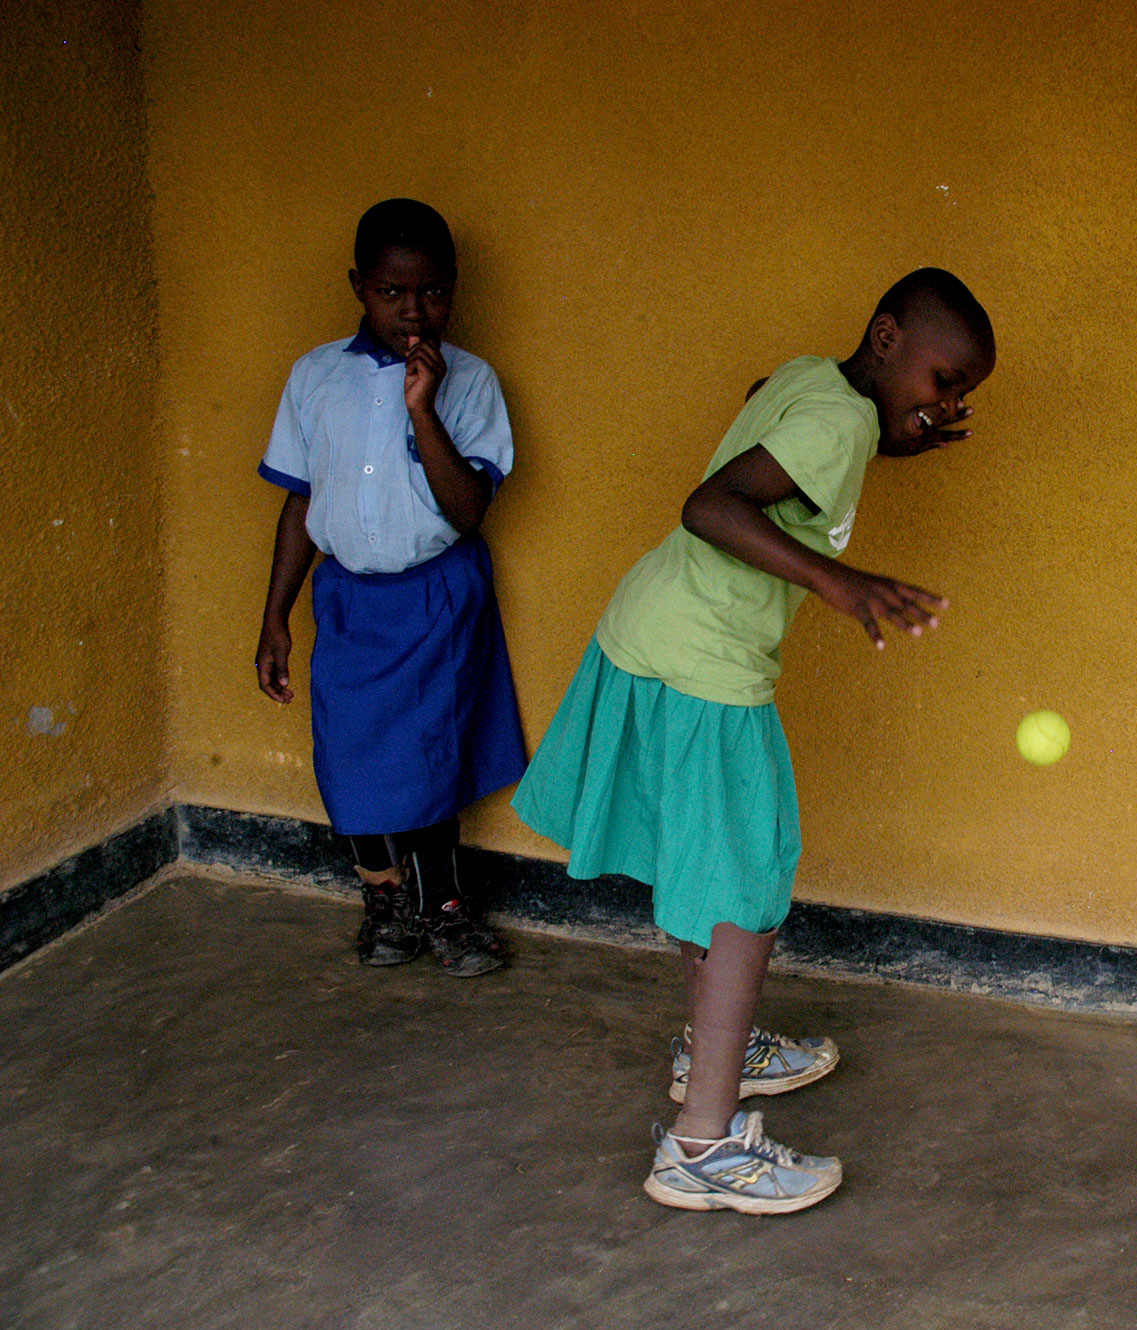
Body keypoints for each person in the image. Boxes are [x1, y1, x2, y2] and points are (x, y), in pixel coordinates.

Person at [513, 268, 996, 1214]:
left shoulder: (819, 382)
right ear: (889, 338)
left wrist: (890, 441)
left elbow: (757, 415)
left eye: (962, 396)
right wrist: (837, 582)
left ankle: (716, 1045)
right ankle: (701, 1146)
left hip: (651, 628)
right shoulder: (843, 421)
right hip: (706, 665)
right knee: (745, 880)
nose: (948, 405)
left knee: (708, 860)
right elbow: (710, 506)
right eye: (943, 382)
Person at [256, 198, 526, 978]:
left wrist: (423, 407)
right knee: (349, 762)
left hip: (437, 596)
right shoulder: (314, 377)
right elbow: (300, 500)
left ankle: (444, 909)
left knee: (432, 759)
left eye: (433, 293)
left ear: (454, 286)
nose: (414, 312)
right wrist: (275, 615)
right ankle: (384, 902)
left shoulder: (471, 383)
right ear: (357, 286)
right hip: (347, 600)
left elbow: (468, 510)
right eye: (391, 293)